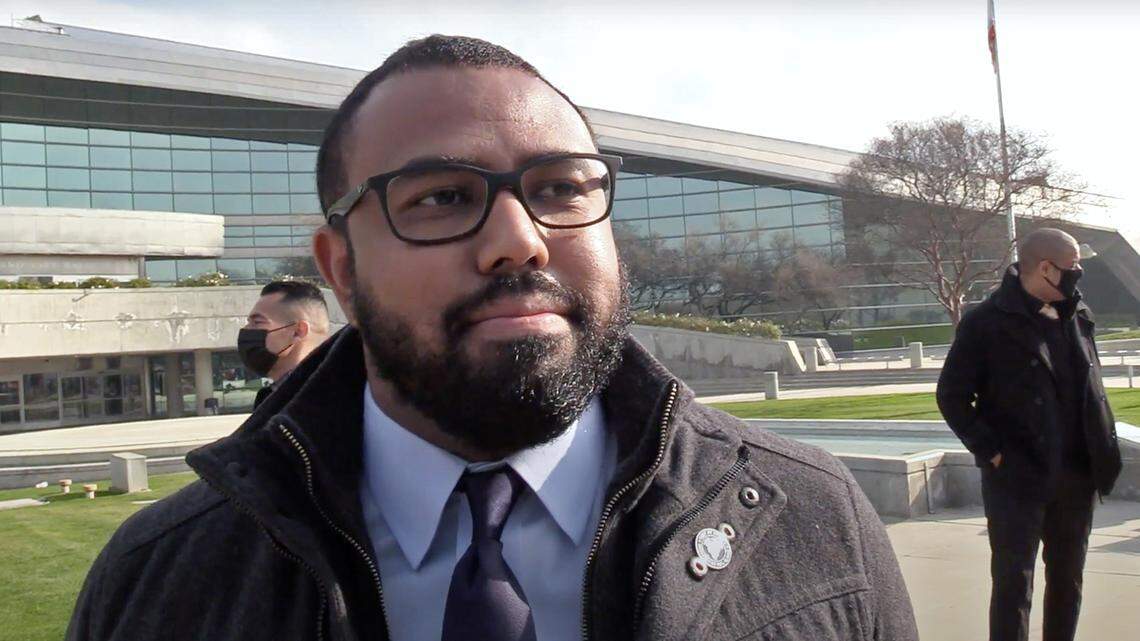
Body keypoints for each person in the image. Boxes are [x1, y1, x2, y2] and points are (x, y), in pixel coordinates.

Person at [67, 35, 917, 641]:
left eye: (560, 186)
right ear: (343, 269)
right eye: (438, 196)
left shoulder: (813, 523)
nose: (521, 239)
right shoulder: (158, 580)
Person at [937, 228, 1122, 641]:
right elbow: (951, 396)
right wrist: (995, 453)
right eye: (1073, 266)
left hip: (1077, 475)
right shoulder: (986, 322)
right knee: (1012, 586)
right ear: (1045, 268)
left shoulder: (1078, 313)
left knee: (1068, 581)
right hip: (1017, 479)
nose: (1078, 273)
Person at [237, 280, 331, 408]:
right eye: (249, 322)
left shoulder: (331, 398)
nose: (247, 330)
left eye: (258, 322)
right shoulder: (268, 398)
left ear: (298, 331)